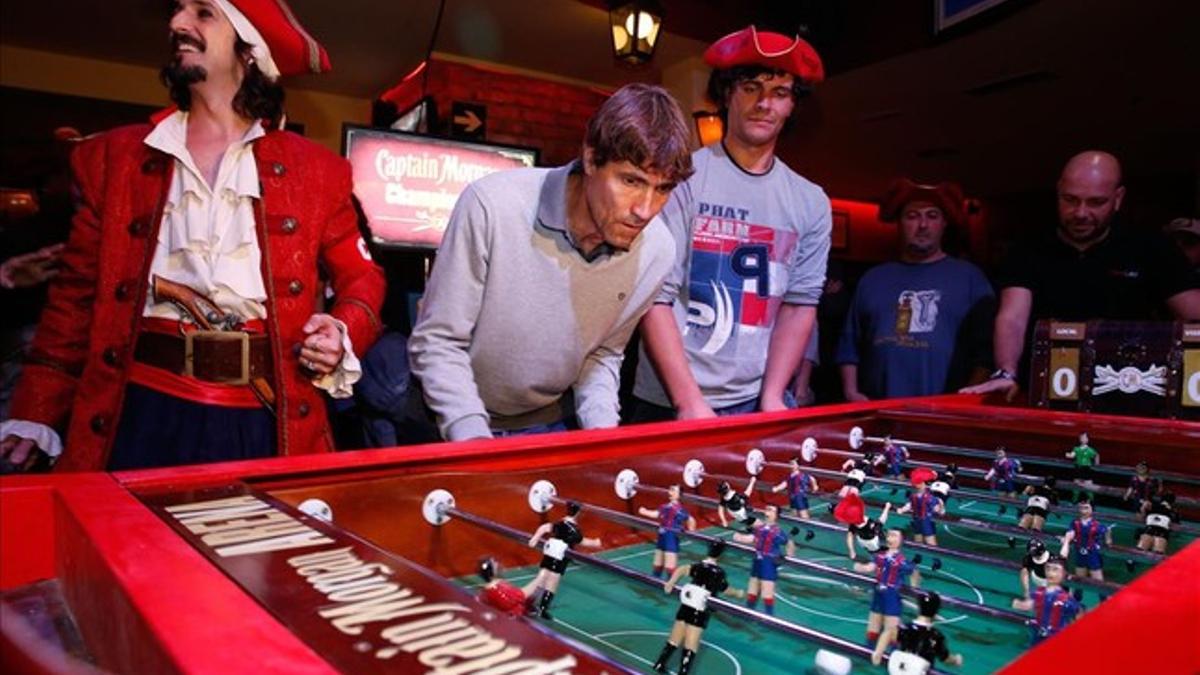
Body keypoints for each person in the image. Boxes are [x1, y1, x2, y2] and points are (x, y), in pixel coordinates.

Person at [0, 0, 385, 472]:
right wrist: (34, 409)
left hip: (263, 418)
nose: (177, 23)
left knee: (254, 547)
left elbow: (363, 279)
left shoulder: (319, 171)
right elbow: (74, 300)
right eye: (178, 11)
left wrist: (340, 328)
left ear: (249, 49)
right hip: (138, 409)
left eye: (203, 13)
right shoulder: (112, 159)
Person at [398, 84, 693, 442]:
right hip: (444, 419)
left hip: (543, 425)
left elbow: (602, 354)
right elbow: (439, 341)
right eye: (631, 181)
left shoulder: (658, 249)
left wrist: (604, 438)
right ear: (590, 157)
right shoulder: (492, 205)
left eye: (663, 189)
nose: (645, 210)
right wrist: (474, 440)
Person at [631, 25, 831, 421]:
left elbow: (799, 305)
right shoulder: (682, 178)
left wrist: (774, 396)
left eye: (780, 93)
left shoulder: (811, 201)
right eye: (750, 87)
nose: (764, 103)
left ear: (792, 106)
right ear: (727, 93)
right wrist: (689, 403)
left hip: (755, 401)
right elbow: (656, 297)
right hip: (667, 400)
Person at [963, 151, 1200, 400]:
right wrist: (1006, 372)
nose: (1080, 213)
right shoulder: (1029, 249)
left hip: (1129, 391)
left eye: (1096, 202)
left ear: (1118, 199)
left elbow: (1193, 313)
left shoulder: (1150, 247)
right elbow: (1012, 317)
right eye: (1070, 200)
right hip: (1047, 393)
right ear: (1058, 192)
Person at [838, 179, 994, 401]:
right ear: (899, 223)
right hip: (878, 412)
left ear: (944, 223)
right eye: (912, 216)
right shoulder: (872, 279)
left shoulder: (971, 278)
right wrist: (851, 391)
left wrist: (967, 399)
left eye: (932, 216)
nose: (922, 225)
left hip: (947, 414)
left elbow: (986, 353)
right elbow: (849, 344)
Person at [652, 539, 744, 675]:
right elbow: (726, 589)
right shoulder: (718, 573)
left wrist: (671, 582)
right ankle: (683, 672)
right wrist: (738, 593)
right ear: (721, 555)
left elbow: (682, 569)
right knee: (691, 645)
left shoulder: (699, 566)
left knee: (674, 638)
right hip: (700, 610)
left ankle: (660, 663)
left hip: (686, 604)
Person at [526, 500, 602, 619]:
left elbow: (545, 527)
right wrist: (596, 543)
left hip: (549, 553)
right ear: (578, 513)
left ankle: (530, 603)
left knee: (541, 579)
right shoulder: (574, 530)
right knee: (551, 583)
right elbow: (582, 541)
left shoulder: (560, 523)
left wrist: (535, 538)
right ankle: (541, 608)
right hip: (559, 557)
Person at [854, 528, 920, 648]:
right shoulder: (880, 556)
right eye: (889, 535)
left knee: (892, 631)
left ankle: (895, 657)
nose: (890, 538)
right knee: (873, 629)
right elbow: (870, 567)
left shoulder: (902, 561)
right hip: (878, 594)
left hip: (892, 597)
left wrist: (914, 589)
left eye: (894, 536)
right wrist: (861, 568)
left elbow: (914, 572)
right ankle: (869, 652)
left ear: (901, 541)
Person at [871, 591, 963, 672]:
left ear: (919, 608)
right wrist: (956, 660)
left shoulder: (906, 628)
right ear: (936, 613)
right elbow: (946, 659)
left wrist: (878, 652)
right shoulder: (935, 636)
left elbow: (888, 632)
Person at [732, 503, 795, 615]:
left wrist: (789, 556)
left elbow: (788, 542)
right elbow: (753, 538)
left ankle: (769, 616)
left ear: (776, 515)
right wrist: (740, 538)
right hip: (758, 560)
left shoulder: (777, 532)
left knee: (767, 591)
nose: (767, 511)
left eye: (771, 510)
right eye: (766, 509)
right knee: (752, 589)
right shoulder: (760, 528)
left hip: (769, 562)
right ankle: (748, 612)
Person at [1012, 554, 1084, 645]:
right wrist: (1019, 604)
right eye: (1048, 569)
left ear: (1064, 574)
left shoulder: (1066, 600)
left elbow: (1078, 616)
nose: (1050, 573)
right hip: (1038, 635)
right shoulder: (1039, 593)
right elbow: (1029, 605)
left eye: (1055, 569)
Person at [638, 484, 696, 578]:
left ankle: (670, 587)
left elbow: (691, 519)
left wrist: (691, 532)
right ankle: (655, 584)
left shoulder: (679, 510)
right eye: (670, 490)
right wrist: (644, 511)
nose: (670, 492)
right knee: (657, 566)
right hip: (662, 536)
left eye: (673, 490)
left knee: (670, 568)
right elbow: (656, 514)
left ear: (679, 495)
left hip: (671, 539)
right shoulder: (664, 506)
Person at [1062, 500, 1112, 581]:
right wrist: (1066, 539)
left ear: (1092, 509)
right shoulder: (1075, 523)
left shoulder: (1097, 525)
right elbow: (1070, 532)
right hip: (1080, 554)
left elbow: (1107, 530)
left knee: (1099, 583)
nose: (1083, 511)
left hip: (1093, 555)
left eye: (1086, 508)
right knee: (1079, 582)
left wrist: (1108, 540)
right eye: (1081, 508)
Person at [836, 492, 892, 561]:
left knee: (873, 550)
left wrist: (852, 551)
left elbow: (849, 537)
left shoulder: (853, 524)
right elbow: (882, 520)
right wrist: (887, 508)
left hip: (862, 542)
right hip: (873, 543)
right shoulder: (870, 524)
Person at [896, 468, 944, 545]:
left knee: (930, 541)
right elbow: (910, 505)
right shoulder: (913, 496)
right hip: (916, 519)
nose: (915, 485)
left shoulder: (929, 497)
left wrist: (940, 506)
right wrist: (902, 509)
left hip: (926, 520)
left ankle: (936, 556)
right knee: (917, 539)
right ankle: (918, 555)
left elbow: (938, 510)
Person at [1065, 432, 1099, 501]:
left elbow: (1096, 455)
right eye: (1081, 437)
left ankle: (1091, 502)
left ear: (1087, 440)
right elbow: (1072, 455)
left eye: (1085, 437)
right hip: (1078, 469)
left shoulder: (1090, 450)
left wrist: (1097, 463)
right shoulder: (1076, 449)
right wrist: (1067, 455)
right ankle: (1074, 501)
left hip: (1087, 470)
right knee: (1076, 488)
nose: (1083, 439)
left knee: (1089, 489)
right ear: (1080, 439)